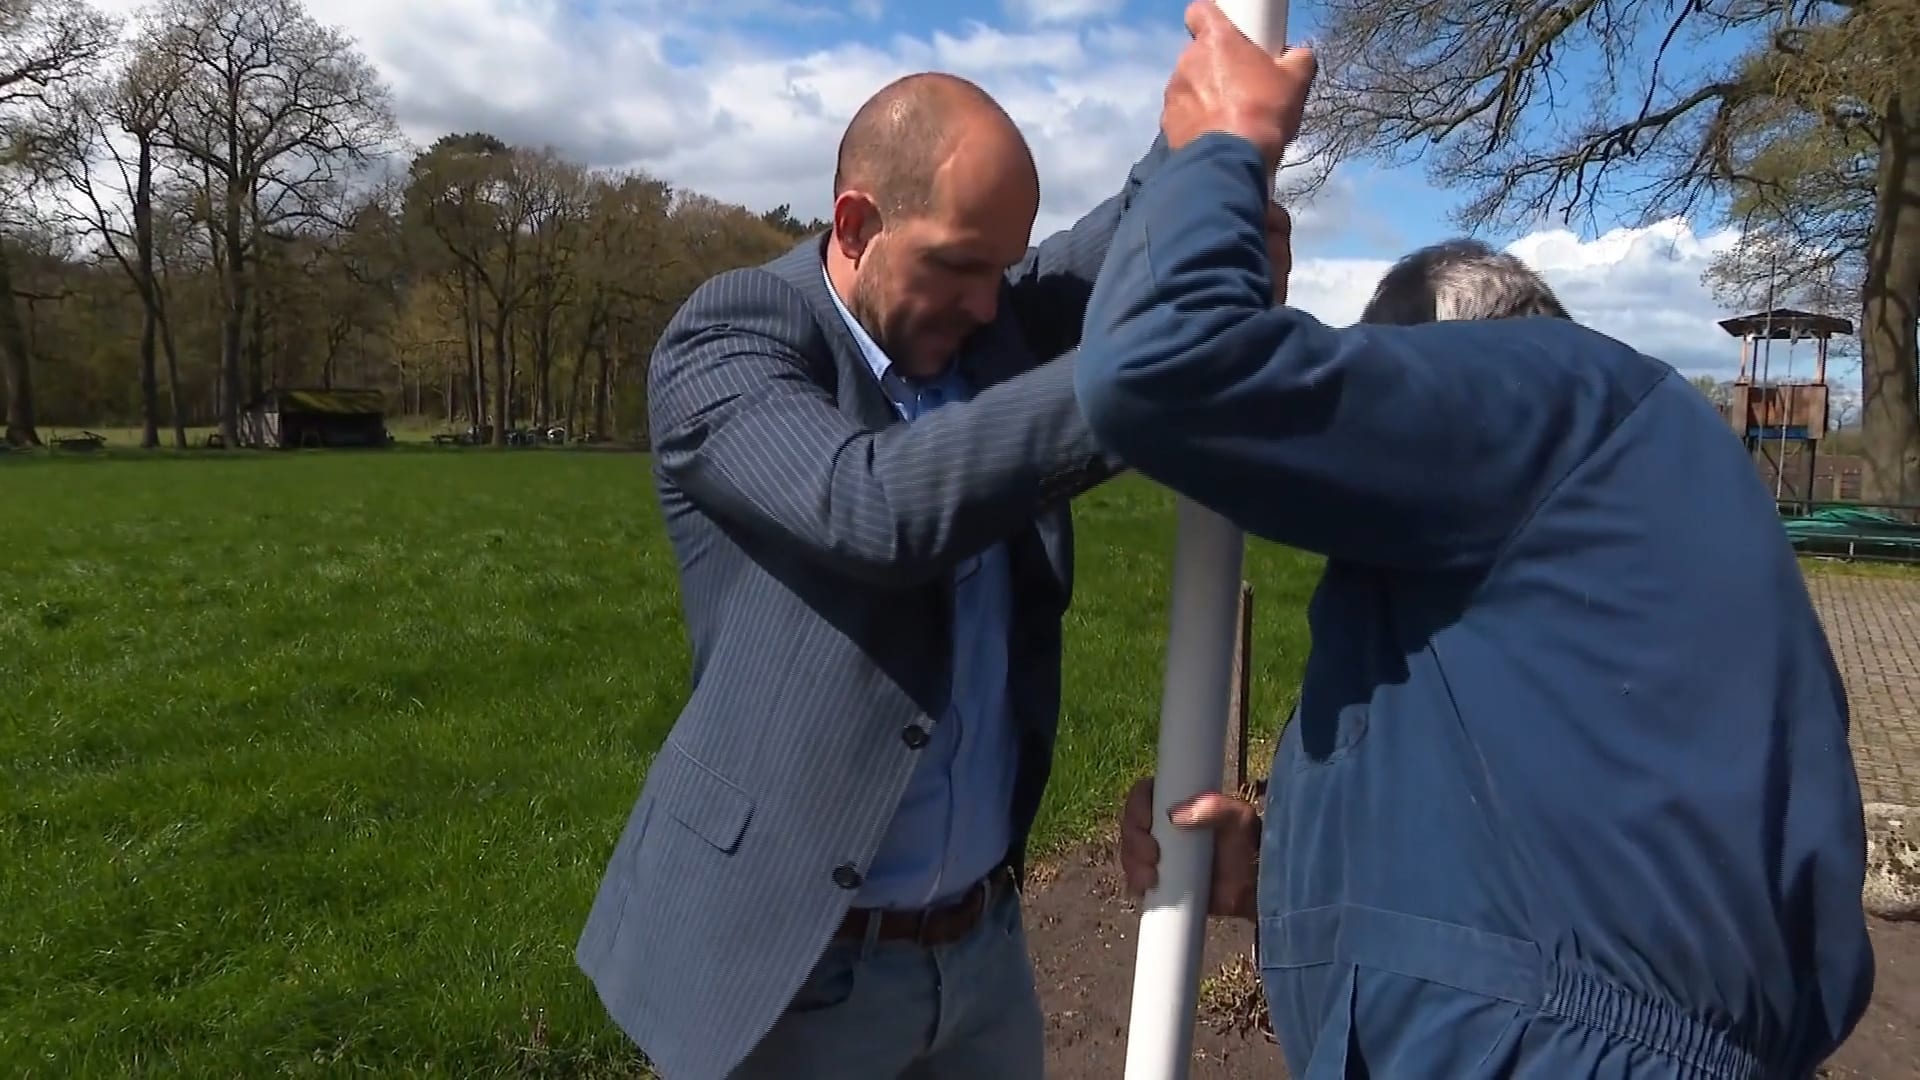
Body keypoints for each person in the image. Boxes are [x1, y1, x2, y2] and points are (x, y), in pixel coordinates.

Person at [1085, 3, 1876, 1076]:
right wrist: (1275, 874)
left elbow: (1158, 372)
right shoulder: (1626, 499)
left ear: (1449, 365)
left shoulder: (1543, 398)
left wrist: (1220, 154)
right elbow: (1547, 831)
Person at [574, 71, 1170, 1080]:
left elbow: (1139, 226)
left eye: (1005, 269)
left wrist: (1210, 122)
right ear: (856, 220)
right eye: (958, 266)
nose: (987, 304)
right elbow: (875, 508)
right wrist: (1158, 372)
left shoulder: (985, 323)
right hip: (794, 975)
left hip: (981, 960)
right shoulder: (732, 337)